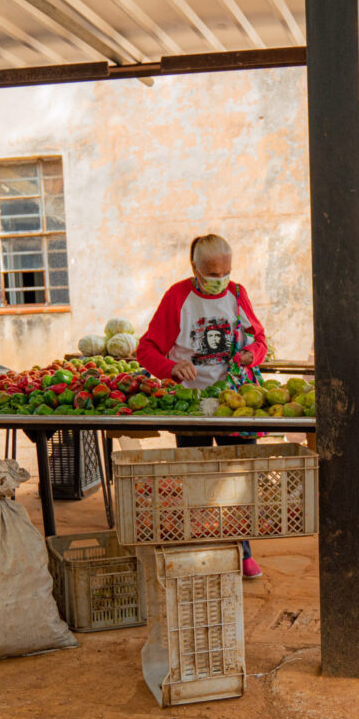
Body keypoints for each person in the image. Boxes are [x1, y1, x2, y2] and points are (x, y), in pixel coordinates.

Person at [138, 233, 269, 579]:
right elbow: (146, 349)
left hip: (235, 403)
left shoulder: (238, 294)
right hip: (192, 405)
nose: (220, 280)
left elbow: (260, 340)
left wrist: (250, 355)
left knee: (237, 481)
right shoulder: (178, 297)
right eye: (212, 274)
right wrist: (170, 368)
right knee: (196, 481)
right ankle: (199, 553)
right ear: (193, 267)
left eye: (226, 272)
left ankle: (242, 551)